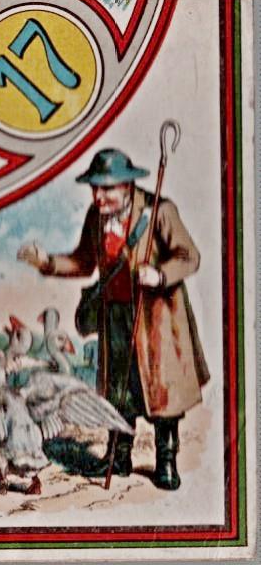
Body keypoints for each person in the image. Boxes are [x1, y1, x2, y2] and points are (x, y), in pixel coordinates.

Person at [17, 147, 208, 490]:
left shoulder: (159, 211)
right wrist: (46, 262)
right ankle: (118, 458)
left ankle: (166, 461)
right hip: (114, 316)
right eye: (95, 188)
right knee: (118, 390)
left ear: (127, 186)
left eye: (106, 189)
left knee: (162, 392)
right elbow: (84, 262)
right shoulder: (96, 217)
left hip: (155, 319)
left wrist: (160, 275)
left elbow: (189, 256)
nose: (98, 196)